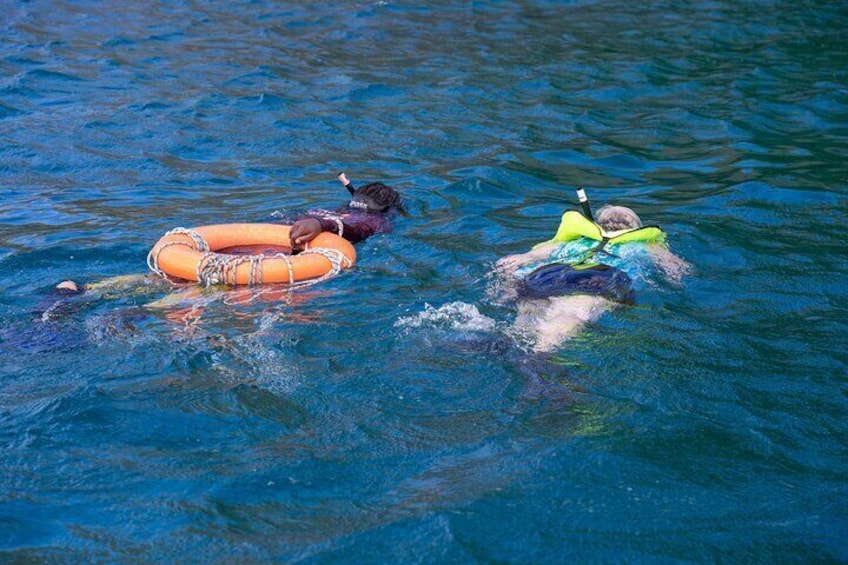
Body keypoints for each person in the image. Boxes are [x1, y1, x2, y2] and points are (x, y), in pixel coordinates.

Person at [495, 202, 690, 352]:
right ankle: (540, 354)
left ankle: (509, 342)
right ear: (636, 228)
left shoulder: (579, 238)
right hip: (596, 276)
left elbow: (533, 255)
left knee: (530, 309)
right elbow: (675, 267)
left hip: (548, 273)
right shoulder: (644, 244)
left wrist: (524, 257)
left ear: (597, 224)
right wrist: (677, 275)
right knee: (570, 313)